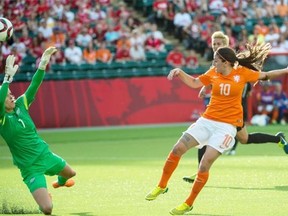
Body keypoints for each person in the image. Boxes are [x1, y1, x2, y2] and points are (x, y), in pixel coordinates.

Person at [145, 42, 288, 215]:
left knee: (205, 164)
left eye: (216, 61)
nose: (213, 64)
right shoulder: (213, 72)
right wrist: (179, 72)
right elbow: (195, 82)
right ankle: (162, 186)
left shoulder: (242, 73)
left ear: (226, 62)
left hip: (227, 127)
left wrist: (286, 70)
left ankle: (188, 203)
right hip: (207, 120)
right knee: (177, 149)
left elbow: (266, 75)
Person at [182, 31, 288, 184]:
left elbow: (256, 77)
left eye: (219, 44)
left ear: (226, 46)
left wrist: (284, 71)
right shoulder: (216, 64)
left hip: (234, 110)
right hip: (220, 112)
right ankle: (278, 139)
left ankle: (200, 172)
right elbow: (213, 78)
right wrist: (206, 87)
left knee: (220, 137)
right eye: (214, 44)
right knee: (242, 139)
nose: (216, 47)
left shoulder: (235, 66)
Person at [0, 47, 76, 215]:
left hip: (45, 155)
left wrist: (42, 64)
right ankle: (46, 197)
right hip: (30, 167)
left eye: (11, 94)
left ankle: (60, 182)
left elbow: (34, 85)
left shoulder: (21, 105)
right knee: (47, 209)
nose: (12, 96)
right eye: (8, 95)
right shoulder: (2, 120)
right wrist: (6, 79)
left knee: (71, 173)